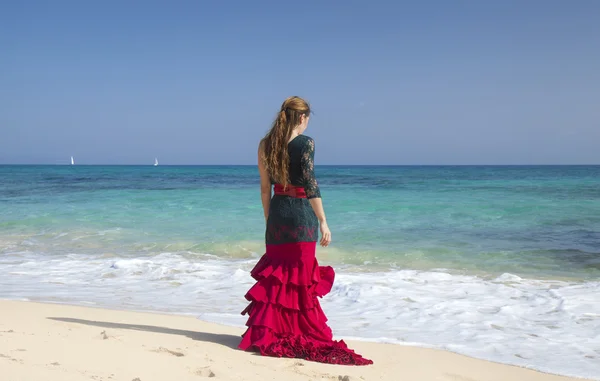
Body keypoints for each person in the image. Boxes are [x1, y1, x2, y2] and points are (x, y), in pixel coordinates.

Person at [238, 96, 373, 365]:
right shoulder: (306, 143)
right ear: (302, 117)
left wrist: (269, 218)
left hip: (277, 214)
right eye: (307, 117)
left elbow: (265, 188)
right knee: (299, 278)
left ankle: (269, 333)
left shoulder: (265, 144)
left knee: (277, 277)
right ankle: (297, 331)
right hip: (300, 215)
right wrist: (323, 220)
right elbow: (310, 184)